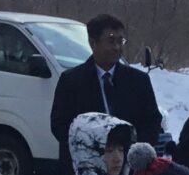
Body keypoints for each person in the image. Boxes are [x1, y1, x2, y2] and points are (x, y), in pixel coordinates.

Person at [49, 13, 166, 154]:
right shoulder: (71, 81)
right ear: (93, 43)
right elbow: (59, 125)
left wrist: (133, 149)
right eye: (111, 42)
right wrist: (94, 147)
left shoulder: (138, 81)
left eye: (120, 41)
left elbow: (152, 121)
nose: (117, 47)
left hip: (130, 163)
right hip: (87, 164)